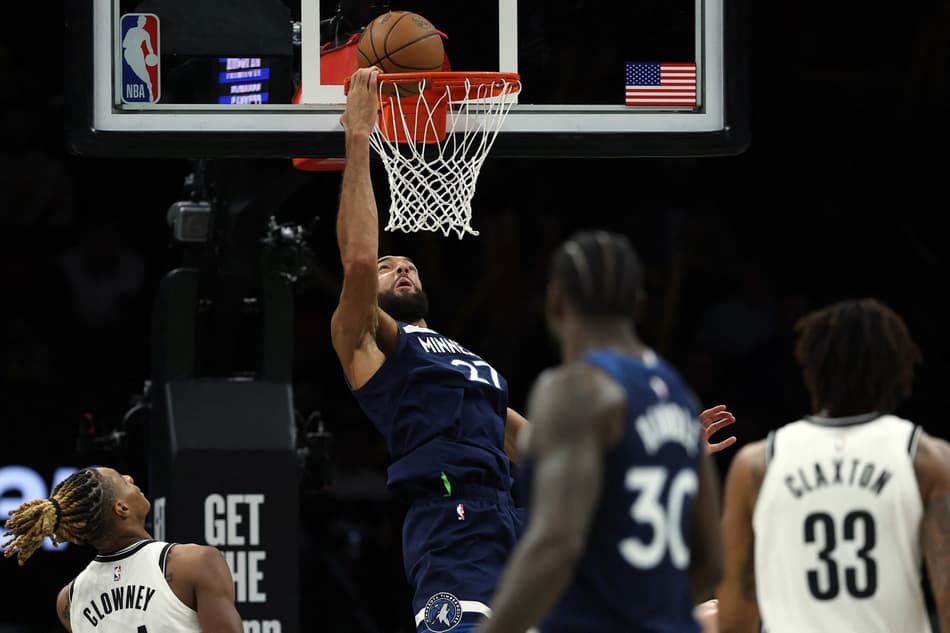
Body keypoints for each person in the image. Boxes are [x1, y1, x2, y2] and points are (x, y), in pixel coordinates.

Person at [335, 68, 736, 633]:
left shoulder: (460, 358)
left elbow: (535, 448)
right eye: (387, 265)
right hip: (453, 523)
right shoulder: (368, 342)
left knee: (715, 616)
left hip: (513, 515)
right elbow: (355, 261)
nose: (400, 265)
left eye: (409, 263)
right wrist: (358, 138)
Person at [475, 229, 724, 633]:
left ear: (555, 303)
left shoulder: (575, 389)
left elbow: (555, 546)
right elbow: (712, 560)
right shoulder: (679, 394)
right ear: (638, 304)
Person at [716, 297, 950, 633]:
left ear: (812, 366)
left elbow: (736, 616)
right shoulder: (928, 458)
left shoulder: (757, 463)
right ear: (898, 369)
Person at [2, 466, 243, 633]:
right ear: (122, 509)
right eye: (121, 480)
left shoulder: (68, 600)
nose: (129, 477)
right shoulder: (195, 562)